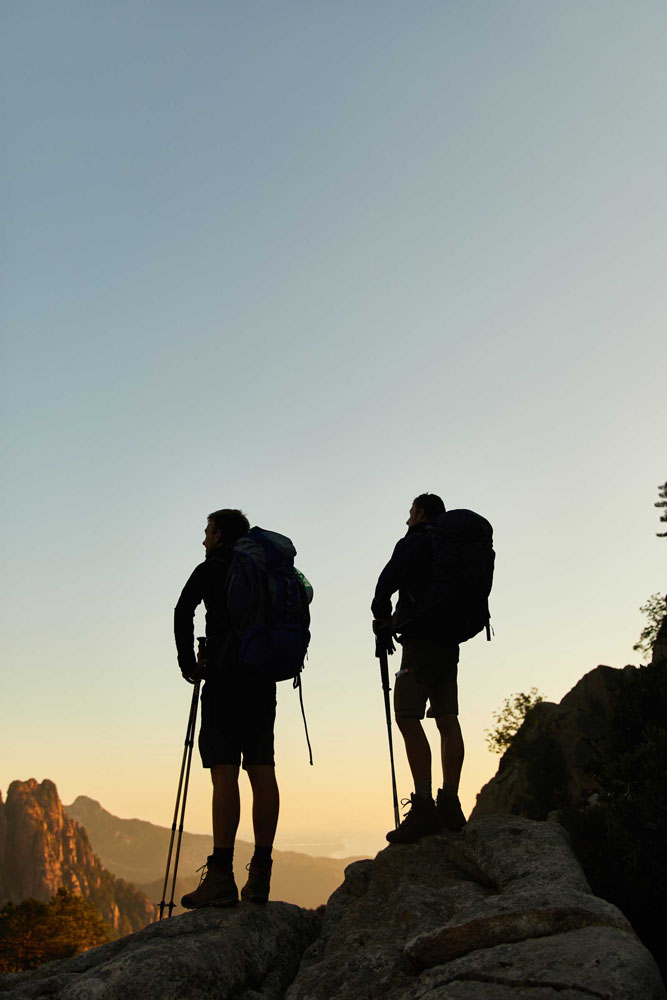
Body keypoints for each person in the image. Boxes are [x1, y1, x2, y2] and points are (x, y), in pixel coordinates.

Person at [174, 508, 279, 907]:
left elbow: (183, 611)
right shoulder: (265, 569)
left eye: (207, 532)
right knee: (262, 769)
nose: (204, 540)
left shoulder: (213, 567)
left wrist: (188, 664)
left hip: (222, 678)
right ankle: (262, 874)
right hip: (261, 680)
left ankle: (221, 877)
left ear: (218, 534)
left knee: (224, 774)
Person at [372, 493, 467, 843]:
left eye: (410, 512)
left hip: (420, 642)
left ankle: (425, 805)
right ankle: (451, 802)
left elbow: (386, 584)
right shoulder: (452, 547)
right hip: (449, 642)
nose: (407, 519)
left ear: (421, 512)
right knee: (447, 718)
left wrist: (382, 618)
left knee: (407, 716)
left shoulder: (413, 542)